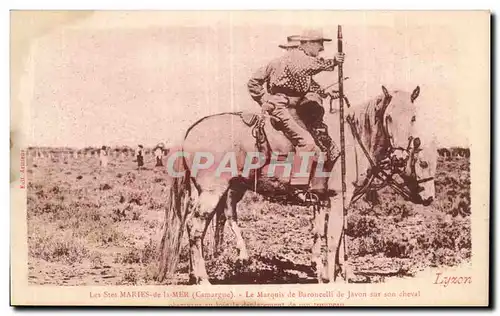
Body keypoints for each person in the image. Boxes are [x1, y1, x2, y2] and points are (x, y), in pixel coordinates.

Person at [247, 29, 345, 188]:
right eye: (319, 44)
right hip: (282, 107)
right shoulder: (296, 59)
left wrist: (325, 92)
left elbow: (308, 82)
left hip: (294, 108)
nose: (321, 49)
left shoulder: (298, 63)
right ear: (306, 44)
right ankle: (297, 186)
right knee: (307, 143)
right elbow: (253, 83)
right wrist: (266, 100)